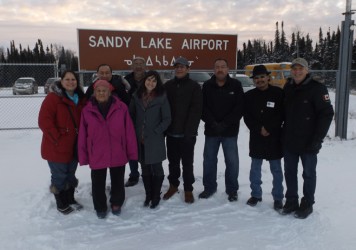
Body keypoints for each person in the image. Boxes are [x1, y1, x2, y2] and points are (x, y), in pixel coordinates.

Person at [281, 58, 334, 219]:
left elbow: (326, 114)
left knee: (308, 173)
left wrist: (318, 139)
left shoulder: (317, 88)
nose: (297, 72)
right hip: (290, 139)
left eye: (300, 69)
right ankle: (291, 200)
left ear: (307, 70)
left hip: (309, 141)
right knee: (289, 172)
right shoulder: (288, 86)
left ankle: (307, 203)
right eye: (294, 69)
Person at [78, 79, 137, 219]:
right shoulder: (87, 110)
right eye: (98, 90)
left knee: (117, 180)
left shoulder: (121, 107)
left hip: (118, 150)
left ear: (110, 92)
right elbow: (82, 135)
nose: (101, 93)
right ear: (94, 93)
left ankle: (116, 203)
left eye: (104, 90)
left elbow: (129, 131)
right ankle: (100, 207)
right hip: (97, 152)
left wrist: (131, 152)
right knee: (97, 183)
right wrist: (84, 156)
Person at [38, 70, 86, 215]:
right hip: (56, 146)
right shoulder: (53, 98)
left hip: (74, 145)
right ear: (61, 81)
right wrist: (57, 139)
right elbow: (44, 121)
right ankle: (61, 202)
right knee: (59, 175)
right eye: (67, 79)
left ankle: (70, 198)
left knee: (71, 174)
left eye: (73, 79)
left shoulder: (80, 99)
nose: (71, 82)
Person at [198, 58, 244, 202]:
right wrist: (213, 123)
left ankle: (232, 190)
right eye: (217, 67)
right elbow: (202, 107)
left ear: (227, 69)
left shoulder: (236, 85)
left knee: (232, 162)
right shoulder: (207, 86)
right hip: (211, 131)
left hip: (230, 132)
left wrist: (225, 123)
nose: (220, 69)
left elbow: (239, 108)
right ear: (214, 70)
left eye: (223, 66)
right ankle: (209, 187)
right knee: (209, 161)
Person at [243, 65, 284, 210]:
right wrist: (258, 128)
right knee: (255, 168)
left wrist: (269, 128)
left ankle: (278, 197)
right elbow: (246, 116)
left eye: (262, 77)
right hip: (257, 137)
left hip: (274, 137)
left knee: (276, 169)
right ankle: (256, 194)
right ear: (253, 80)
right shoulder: (249, 96)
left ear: (268, 77)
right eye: (256, 78)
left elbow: (281, 114)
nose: (259, 80)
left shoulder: (278, 93)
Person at [163, 56, 203, 204]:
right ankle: (173, 185)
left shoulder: (194, 86)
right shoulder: (168, 86)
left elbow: (196, 110)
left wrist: (189, 131)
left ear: (188, 69)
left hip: (187, 134)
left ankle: (188, 189)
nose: (179, 69)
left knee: (187, 163)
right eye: (177, 66)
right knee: (173, 162)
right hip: (172, 133)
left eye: (182, 66)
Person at [129, 70, 171, 208]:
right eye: (149, 80)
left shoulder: (162, 97)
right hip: (140, 139)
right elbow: (131, 115)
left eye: (154, 81)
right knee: (145, 168)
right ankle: (148, 195)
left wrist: (156, 131)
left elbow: (167, 119)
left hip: (155, 138)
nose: (151, 83)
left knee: (157, 168)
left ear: (157, 83)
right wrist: (135, 131)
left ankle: (156, 195)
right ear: (144, 81)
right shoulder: (136, 96)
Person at [124, 57, 147, 187]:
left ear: (145, 66)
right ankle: (134, 175)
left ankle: (147, 173)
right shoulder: (126, 80)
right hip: (130, 119)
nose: (138, 66)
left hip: (147, 119)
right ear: (132, 66)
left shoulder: (151, 79)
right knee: (132, 148)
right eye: (136, 64)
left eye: (141, 64)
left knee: (145, 148)